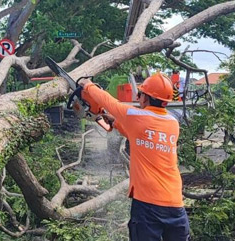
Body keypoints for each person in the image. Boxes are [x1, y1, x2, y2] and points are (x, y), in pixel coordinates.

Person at [78, 72, 189, 241]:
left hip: (147, 203)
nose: (138, 98)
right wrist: (115, 123)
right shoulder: (172, 123)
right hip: (175, 203)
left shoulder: (135, 116)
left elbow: (109, 101)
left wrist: (87, 84)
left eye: (141, 93)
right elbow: (140, 134)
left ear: (146, 97)